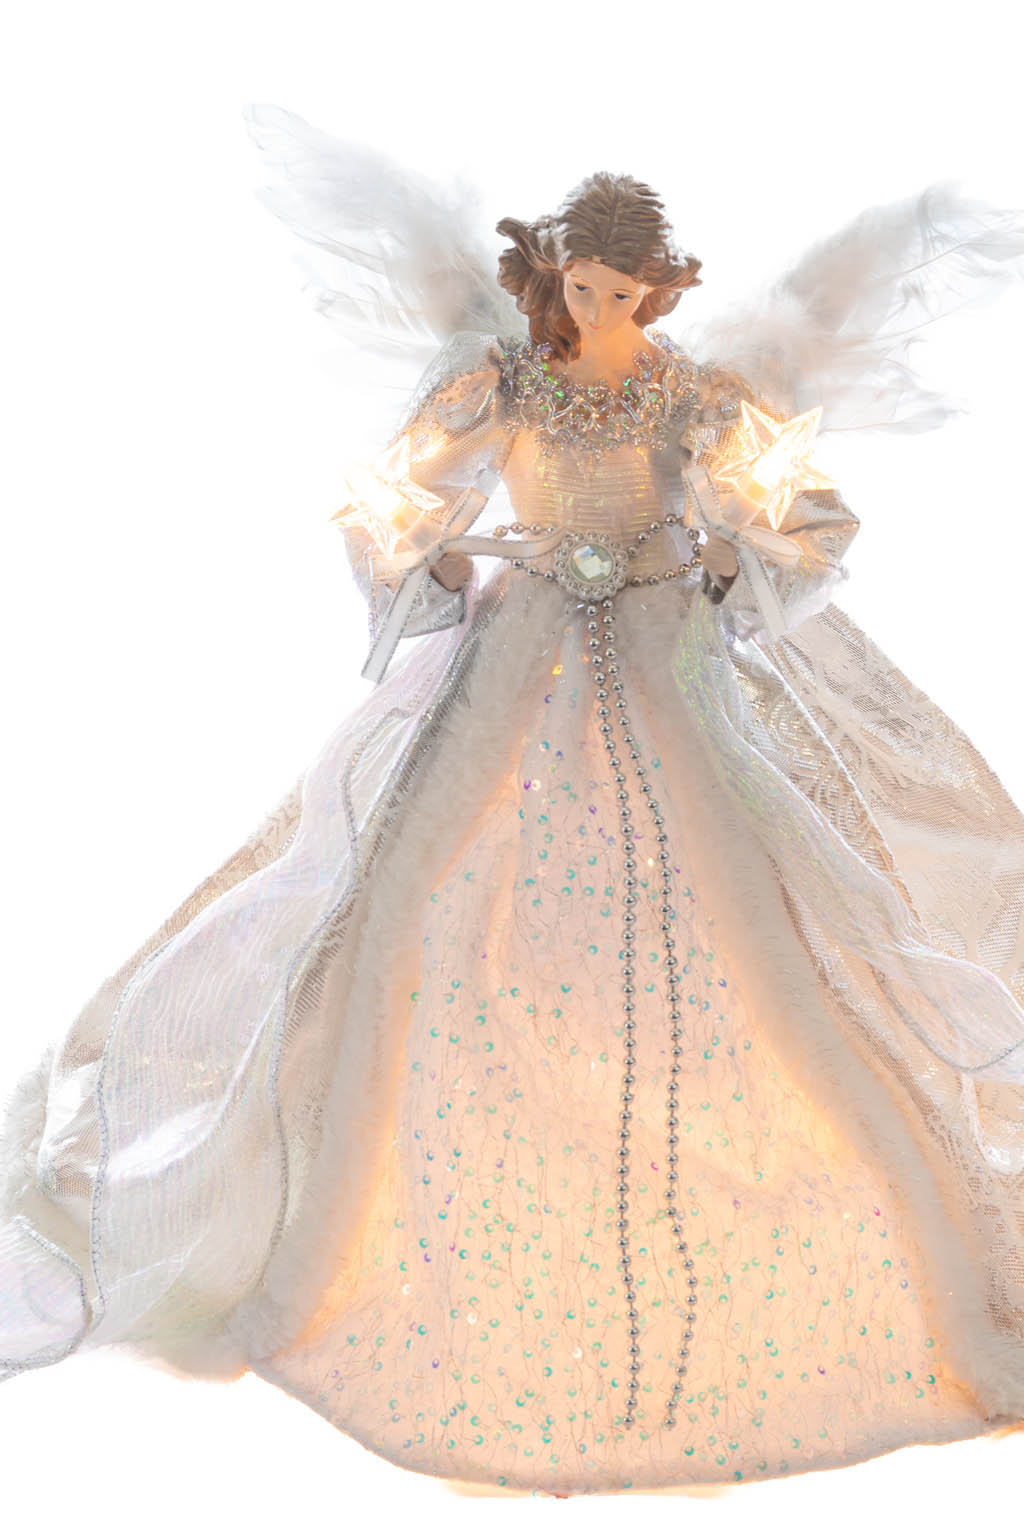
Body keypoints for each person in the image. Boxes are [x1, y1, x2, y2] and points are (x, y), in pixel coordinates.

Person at [3, 102, 1024, 1496]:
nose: (593, 313)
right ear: (555, 272)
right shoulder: (500, 386)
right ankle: (332, 1245)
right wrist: (423, 567)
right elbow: (395, 499)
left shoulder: (695, 399)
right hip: (521, 650)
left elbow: (807, 514)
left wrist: (736, 574)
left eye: (619, 295)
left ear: (658, 292)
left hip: (666, 657)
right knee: (421, 894)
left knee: (753, 922)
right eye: (580, 287)